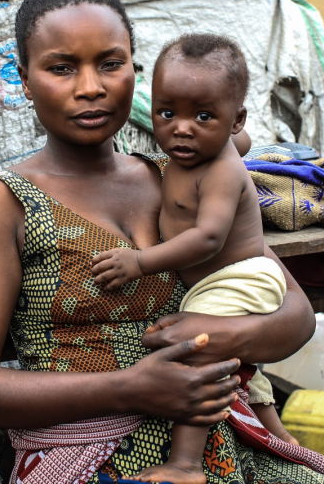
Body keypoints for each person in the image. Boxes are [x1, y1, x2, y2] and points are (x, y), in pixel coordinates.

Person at [0, 0, 324, 484]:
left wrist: (213, 337)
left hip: (218, 449)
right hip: (82, 460)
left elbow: (294, 313)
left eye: (110, 63)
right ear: (24, 78)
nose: (91, 87)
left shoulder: (177, 176)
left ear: (134, 70)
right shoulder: (1, 201)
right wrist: (130, 388)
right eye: (62, 67)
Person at [91, 34, 297, 484]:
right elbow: (238, 141)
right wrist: (223, 130)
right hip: (222, 280)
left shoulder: (220, 169)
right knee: (236, 364)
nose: (182, 129)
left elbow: (207, 238)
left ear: (234, 119)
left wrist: (140, 263)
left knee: (199, 355)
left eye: (203, 116)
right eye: (168, 113)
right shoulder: (201, 152)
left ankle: (185, 464)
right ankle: (281, 437)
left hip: (240, 276)